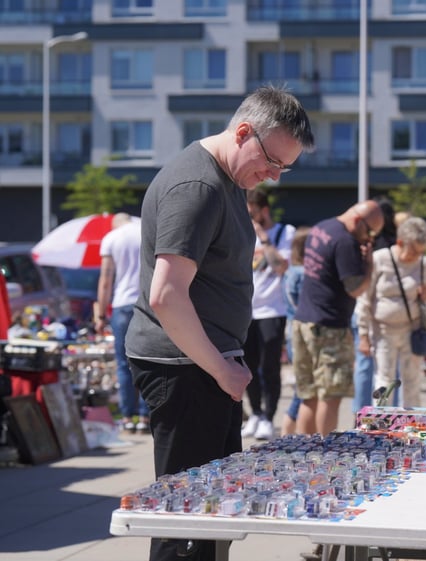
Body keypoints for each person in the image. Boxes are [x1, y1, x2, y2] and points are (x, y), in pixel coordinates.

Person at [125, 86, 314, 561]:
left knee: (211, 515)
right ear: (244, 132)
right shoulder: (200, 186)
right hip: (185, 369)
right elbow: (166, 296)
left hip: (202, 366)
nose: (271, 176)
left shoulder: (224, 180)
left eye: (283, 169)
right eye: (271, 161)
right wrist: (222, 369)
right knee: (186, 521)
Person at [292, 200, 384, 436]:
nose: (369, 238)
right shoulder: (346, 241)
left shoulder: (322, 227)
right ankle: (325, 453)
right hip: (329, 326)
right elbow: (356, 289)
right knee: (330, 396)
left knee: (308, 396)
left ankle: (303, 451)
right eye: (370, 232)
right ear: (357, 220)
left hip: (303, 320)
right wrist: (369, 264)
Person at [356, 217, 426, 408]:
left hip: (413, 328)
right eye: (414, 251)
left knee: (412, 380)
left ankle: (412, 424)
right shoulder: (380, 259)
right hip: (383, 330)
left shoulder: (423, 263)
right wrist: (363, 334)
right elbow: (365, 299)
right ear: (400, 243)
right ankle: (381, 424)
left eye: (421, 252)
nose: (418, 256)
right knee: (385, 378)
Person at [240, 189, 295, 441]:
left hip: (272, 310)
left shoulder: (285, 232)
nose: (248, 217)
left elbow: (281, 266)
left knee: (268, 367)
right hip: (245, 311)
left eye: (252, 213)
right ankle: (255, 412)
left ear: (263, 211)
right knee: (247, 367)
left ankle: (268, 417)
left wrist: (263, 238)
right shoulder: (242, 233)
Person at [95, 213, 148, 434]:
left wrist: (100, 312)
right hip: (146, 303)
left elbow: (106, 278)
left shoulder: (111, 238)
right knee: (148, 361)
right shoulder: (145, 230)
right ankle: (146, 416)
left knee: (123, 364)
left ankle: (127, 416)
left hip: (122, 304)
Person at [351, 196, 398, 413]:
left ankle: (361, 414)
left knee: (364, 366)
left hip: (362, 308)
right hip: (387, 314)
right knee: (388, 369)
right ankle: (389, 413)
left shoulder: (363, 242)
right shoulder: (395, 245)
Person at [279, 225, 310, 436]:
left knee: (303, 389)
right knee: (303, 391)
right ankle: (287, 437)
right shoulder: (301, 273)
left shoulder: (290, 272)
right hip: (302, 336)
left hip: (292, 333)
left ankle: (289, 436)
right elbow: (303, 306)